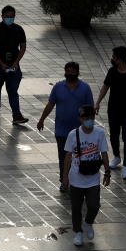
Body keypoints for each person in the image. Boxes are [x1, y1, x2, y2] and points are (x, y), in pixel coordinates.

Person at [37, 62, 94, 192]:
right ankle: (64, 180)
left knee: (80, 156)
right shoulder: (58, 87)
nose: (70, 73)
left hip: (80, 130)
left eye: (72, 71)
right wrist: (42, 119)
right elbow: (51, 104)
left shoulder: (85, 88)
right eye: (67, 71)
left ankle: (79, 180)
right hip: (61, 130)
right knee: (63, 156)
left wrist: (89, 126)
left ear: (78, 72)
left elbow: (90, 109)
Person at [62, 105, 111, 247]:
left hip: (93, 178)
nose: (89, 120)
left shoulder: (99, 133)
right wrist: (65, 177)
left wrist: (107, 172)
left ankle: (88, 223)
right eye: (86, 118)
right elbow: (68, 157)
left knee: (94, 205)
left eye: (92, 117)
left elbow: (104, 153)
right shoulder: (73, 134)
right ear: (80, 119)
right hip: (76, 178)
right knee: (76, 208)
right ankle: (78, 232)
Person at [94, 46, 126, 181]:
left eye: (113, 57)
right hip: (113, 110)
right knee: (114, 135)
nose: (112, 59)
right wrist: (97, 102)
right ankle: (116, 157)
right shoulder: (112, 72)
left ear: (119, 59)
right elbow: (105, 87)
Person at [0, 5, 28, 124]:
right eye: (7, 17)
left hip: (14, 67)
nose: (9, 19)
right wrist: (1, 63)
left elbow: (23, 47)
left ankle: (16, 115)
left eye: (12, 17)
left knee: (13, 91)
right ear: (2, 16)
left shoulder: (19, 29)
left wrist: (16, 62)